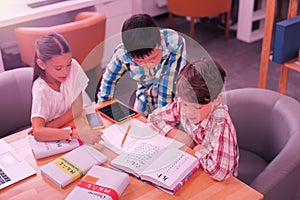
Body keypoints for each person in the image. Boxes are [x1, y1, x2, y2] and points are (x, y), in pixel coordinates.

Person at [147, 58, 239, 181]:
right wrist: (178, 135)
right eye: (185, 104)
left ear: (216, 100)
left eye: (197, 107)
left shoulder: (220, 124)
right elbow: (154, 118)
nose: (188, 112)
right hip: (199, 165)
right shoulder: (185, 102)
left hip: (226, 182)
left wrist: (200, 150)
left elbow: (220, 173)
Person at [97, 13, 186, 117]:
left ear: (161, 39)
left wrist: (161, 121)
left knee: (167, 126)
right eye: (140, 61)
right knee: (138, 123)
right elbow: (108, 81)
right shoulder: (122, 54)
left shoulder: (174, 43)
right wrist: (104, 109)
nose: (148, 65)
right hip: (144, 95)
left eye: (153, 58)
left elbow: (167, 90)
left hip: (171, 97)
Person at [29, 32, 102, 145]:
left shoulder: (74, 66)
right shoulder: (41, 89)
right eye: (58, 68)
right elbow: (38, 133)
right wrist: (74, 133)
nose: (66, 72)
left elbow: (77, 108)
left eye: (68, 64)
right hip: (57, 140)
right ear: (42, 64)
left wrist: (49, 128)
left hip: (67, 127)